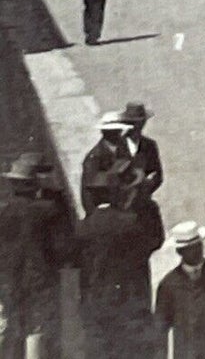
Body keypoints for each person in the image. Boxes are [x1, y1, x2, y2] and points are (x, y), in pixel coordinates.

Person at [75, 173, 165, 359]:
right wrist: (147, 203)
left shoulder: (83, 227)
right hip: (129, 300)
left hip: (95, 304)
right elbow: (155, 241)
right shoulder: (129, 223)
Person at [0, 151, 74, 359]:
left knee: (11, 331)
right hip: (40, 281)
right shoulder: (49, 212)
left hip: (8, 282)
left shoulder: (3, 212)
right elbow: (64, 248)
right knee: (37, 332)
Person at [155, 222, 205, 359]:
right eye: (190, 248)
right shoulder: (169, 284)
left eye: (199, 245)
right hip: (188, 353)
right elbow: (160, 328)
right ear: (179, 251)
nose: (197, 251)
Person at [80, 114, 137, 216]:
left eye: (118, 130)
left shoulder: (123, 149)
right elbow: (89, 188)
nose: (117, 134)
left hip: (124, 205)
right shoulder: (94, 157)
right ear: (104, 133)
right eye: (112, 131)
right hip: (103, 209)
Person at [120, 102, 164, 204]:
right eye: (132, 123)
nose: (136, 127)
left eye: (140, 123)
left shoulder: (149, 145)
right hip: (121, 204)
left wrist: (147, 188)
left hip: (143, 200)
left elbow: (158, 174)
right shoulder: (118, 146)